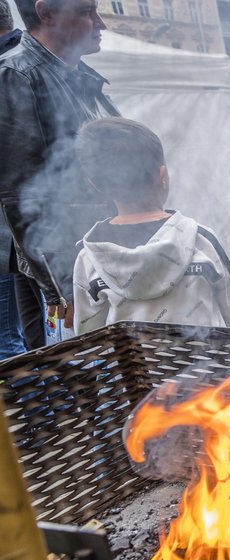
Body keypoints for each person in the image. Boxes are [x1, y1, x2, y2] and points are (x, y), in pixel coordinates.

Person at [0, 0, 118, 350]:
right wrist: (61, 286)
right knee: (83, 382)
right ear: (46, 13)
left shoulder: (81, 77)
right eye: (85, 11)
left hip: (98, 260)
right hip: (68, 272)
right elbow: (21, 193)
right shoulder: (15, 76)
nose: (100, 23)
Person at [72, 118, 230, 334]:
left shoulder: (89, 257)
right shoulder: (201, 240)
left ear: (95, 185)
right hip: (207, 367)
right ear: (162, 176)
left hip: (131, 368)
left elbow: (87, 335)